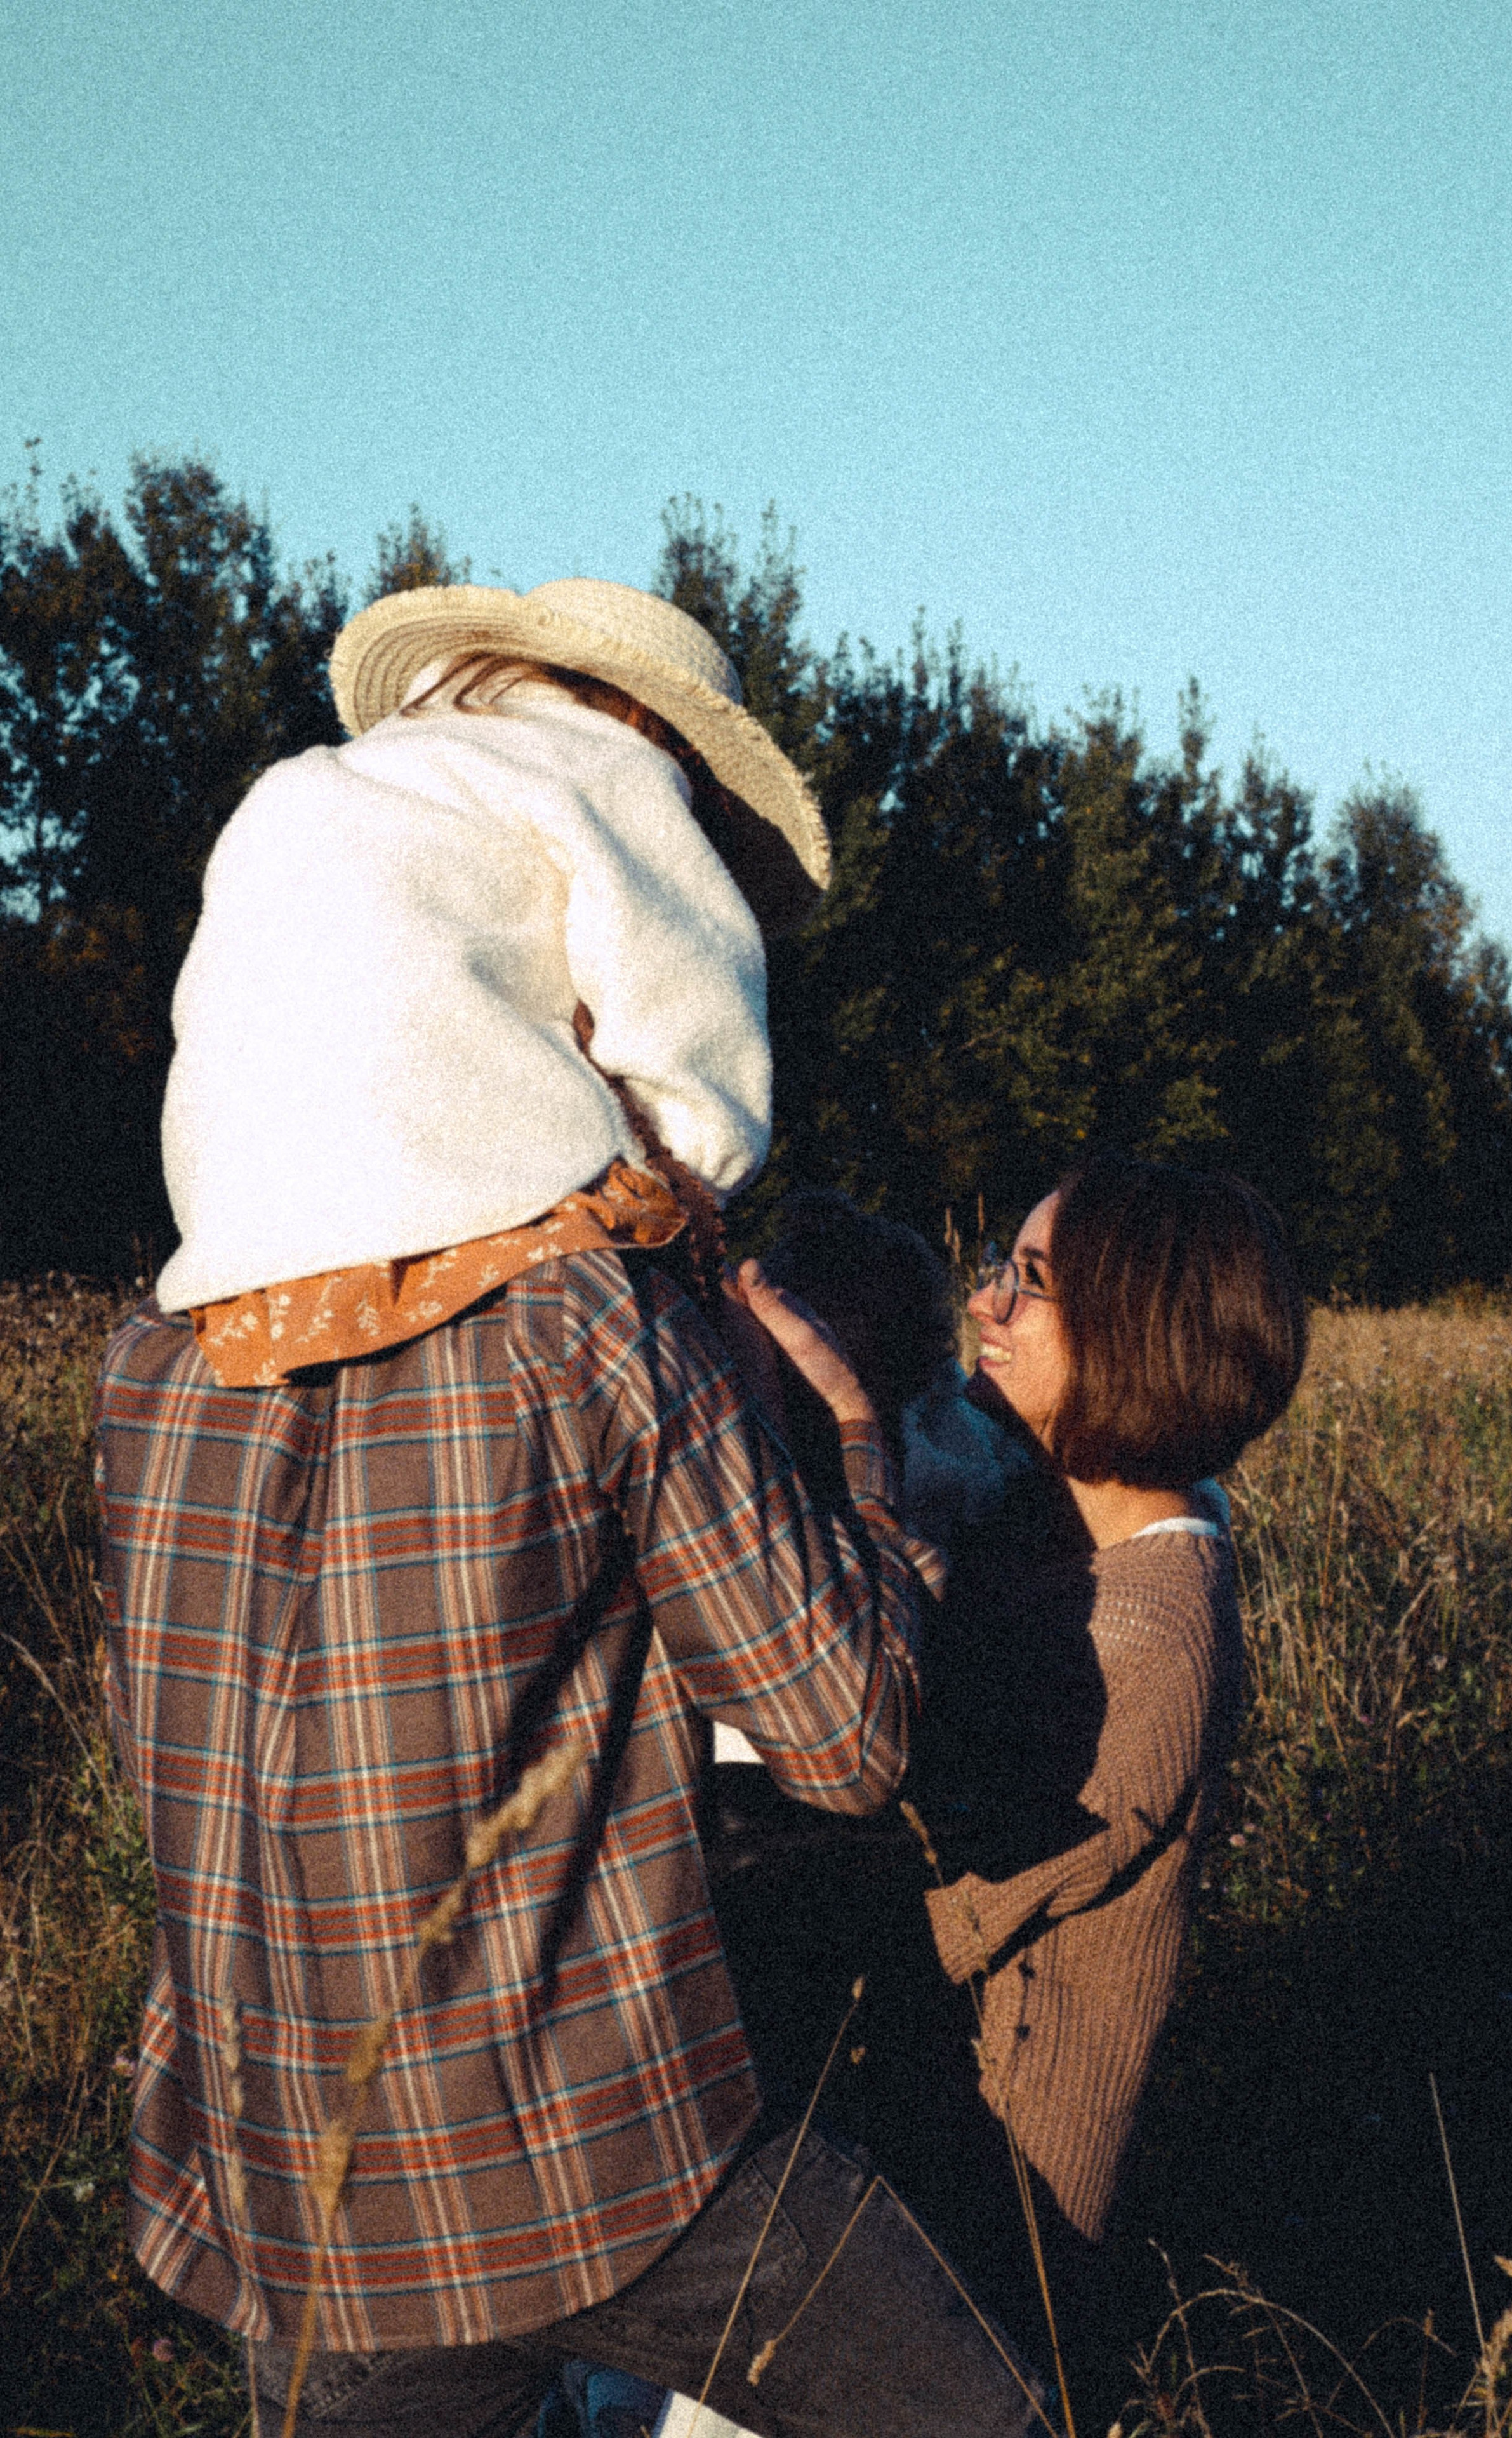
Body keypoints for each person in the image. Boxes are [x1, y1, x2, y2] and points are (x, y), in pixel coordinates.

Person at [95, 575, 1051, 2438]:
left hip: (298, 2186)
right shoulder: (584, 1314)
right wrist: (855, 1455)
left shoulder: (157, 1362)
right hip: (609, 2167)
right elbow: (850, 1738)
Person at [899, 1154, 1306, 2366]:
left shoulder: (1144, 1634)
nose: (985, 1305)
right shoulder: (1063, 1533)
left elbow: (922, 1903)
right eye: (996, 1272)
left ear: (1139, 1339)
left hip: (981, 2232)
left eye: (1030, 1283)